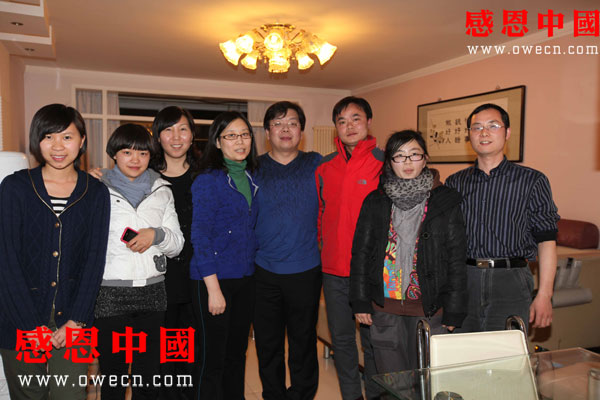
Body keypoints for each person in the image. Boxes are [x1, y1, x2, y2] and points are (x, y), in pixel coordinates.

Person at [0, 104, 110, 400]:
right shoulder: (15, 187)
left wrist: (77, 321)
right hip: (20, 317)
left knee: (69, 395)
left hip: (74, 318)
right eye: (48, 137)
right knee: (28, 395)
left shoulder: (95, 192)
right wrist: (30, 326)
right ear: (37, 141)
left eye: (67, 137)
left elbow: (94, 261)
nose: (58, 146)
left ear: (82, 141)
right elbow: (6, 260)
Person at [350, 130, 467, 373]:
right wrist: (360, 301)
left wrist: (454, 310)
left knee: (428, 380)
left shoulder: (445, 201)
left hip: (430, 309)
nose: (407, 162)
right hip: (385, 308)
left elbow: (456, 258)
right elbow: (361, 253)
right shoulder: (375, 200)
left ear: (425, 159)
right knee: (392, 381)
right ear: (389, 162)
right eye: (399, 155)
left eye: (414, 154)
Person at [445, 103, 559, 332]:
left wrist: (544, 295)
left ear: (507, 133)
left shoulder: (532, 181)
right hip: (465, 279)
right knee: (462, 350)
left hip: (511, 280)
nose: (484, 133)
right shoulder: (455, 183)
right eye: (477, 127)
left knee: (507, 351)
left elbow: (546, 241)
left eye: (493, 126)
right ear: (469, 135)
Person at [94, 123, 184, 400]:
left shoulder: (162, 190)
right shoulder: (96, 189)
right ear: (114, 154)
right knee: (114, 377)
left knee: (148, 377)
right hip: (110, 293)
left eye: (143, 153)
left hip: (153, 292)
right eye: (127, 152)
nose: (135, 159)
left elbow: (177, 245)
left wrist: (156, 235)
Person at [253, 101, 322, 400]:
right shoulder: (252, 167)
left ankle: (302, 395)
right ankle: (274, 395)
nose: (285, 129)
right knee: (267, 344)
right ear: (267, 132)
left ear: (301, 131)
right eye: (278, 124)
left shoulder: (317, 164)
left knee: (303, 342)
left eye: (292, 123)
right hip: (262, 270)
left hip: (305, 270)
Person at [316, 96, 382, 400]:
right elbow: (320, 215)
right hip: (333, 271)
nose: (349, 126)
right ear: (336, 128)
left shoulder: (385, 163)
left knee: (374, 341)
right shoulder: (324, 167)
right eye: (341, 121)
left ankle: (378, 394)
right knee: (342, 341)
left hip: (372, 272)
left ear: (368, 122)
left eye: (355, 118)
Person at [190, 111, 259, 400]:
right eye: (231, 136)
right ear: (218, 142)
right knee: (212, 359)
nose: (239, 141)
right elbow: (200, 236)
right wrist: (214, 290)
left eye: (244, 134)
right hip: (214, 280)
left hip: (245, 278)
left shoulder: (253, 177)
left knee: (237, 354)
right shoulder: (208, 181)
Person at [151, 106, 199, 400]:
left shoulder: (205, 175)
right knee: (161, 355)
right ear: (158, 137)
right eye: (168, 130)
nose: (176, 137)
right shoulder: (145, 176)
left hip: (197, 278)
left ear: (193, 135)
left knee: (191, 352)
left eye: (183, 129)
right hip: (159, 280)